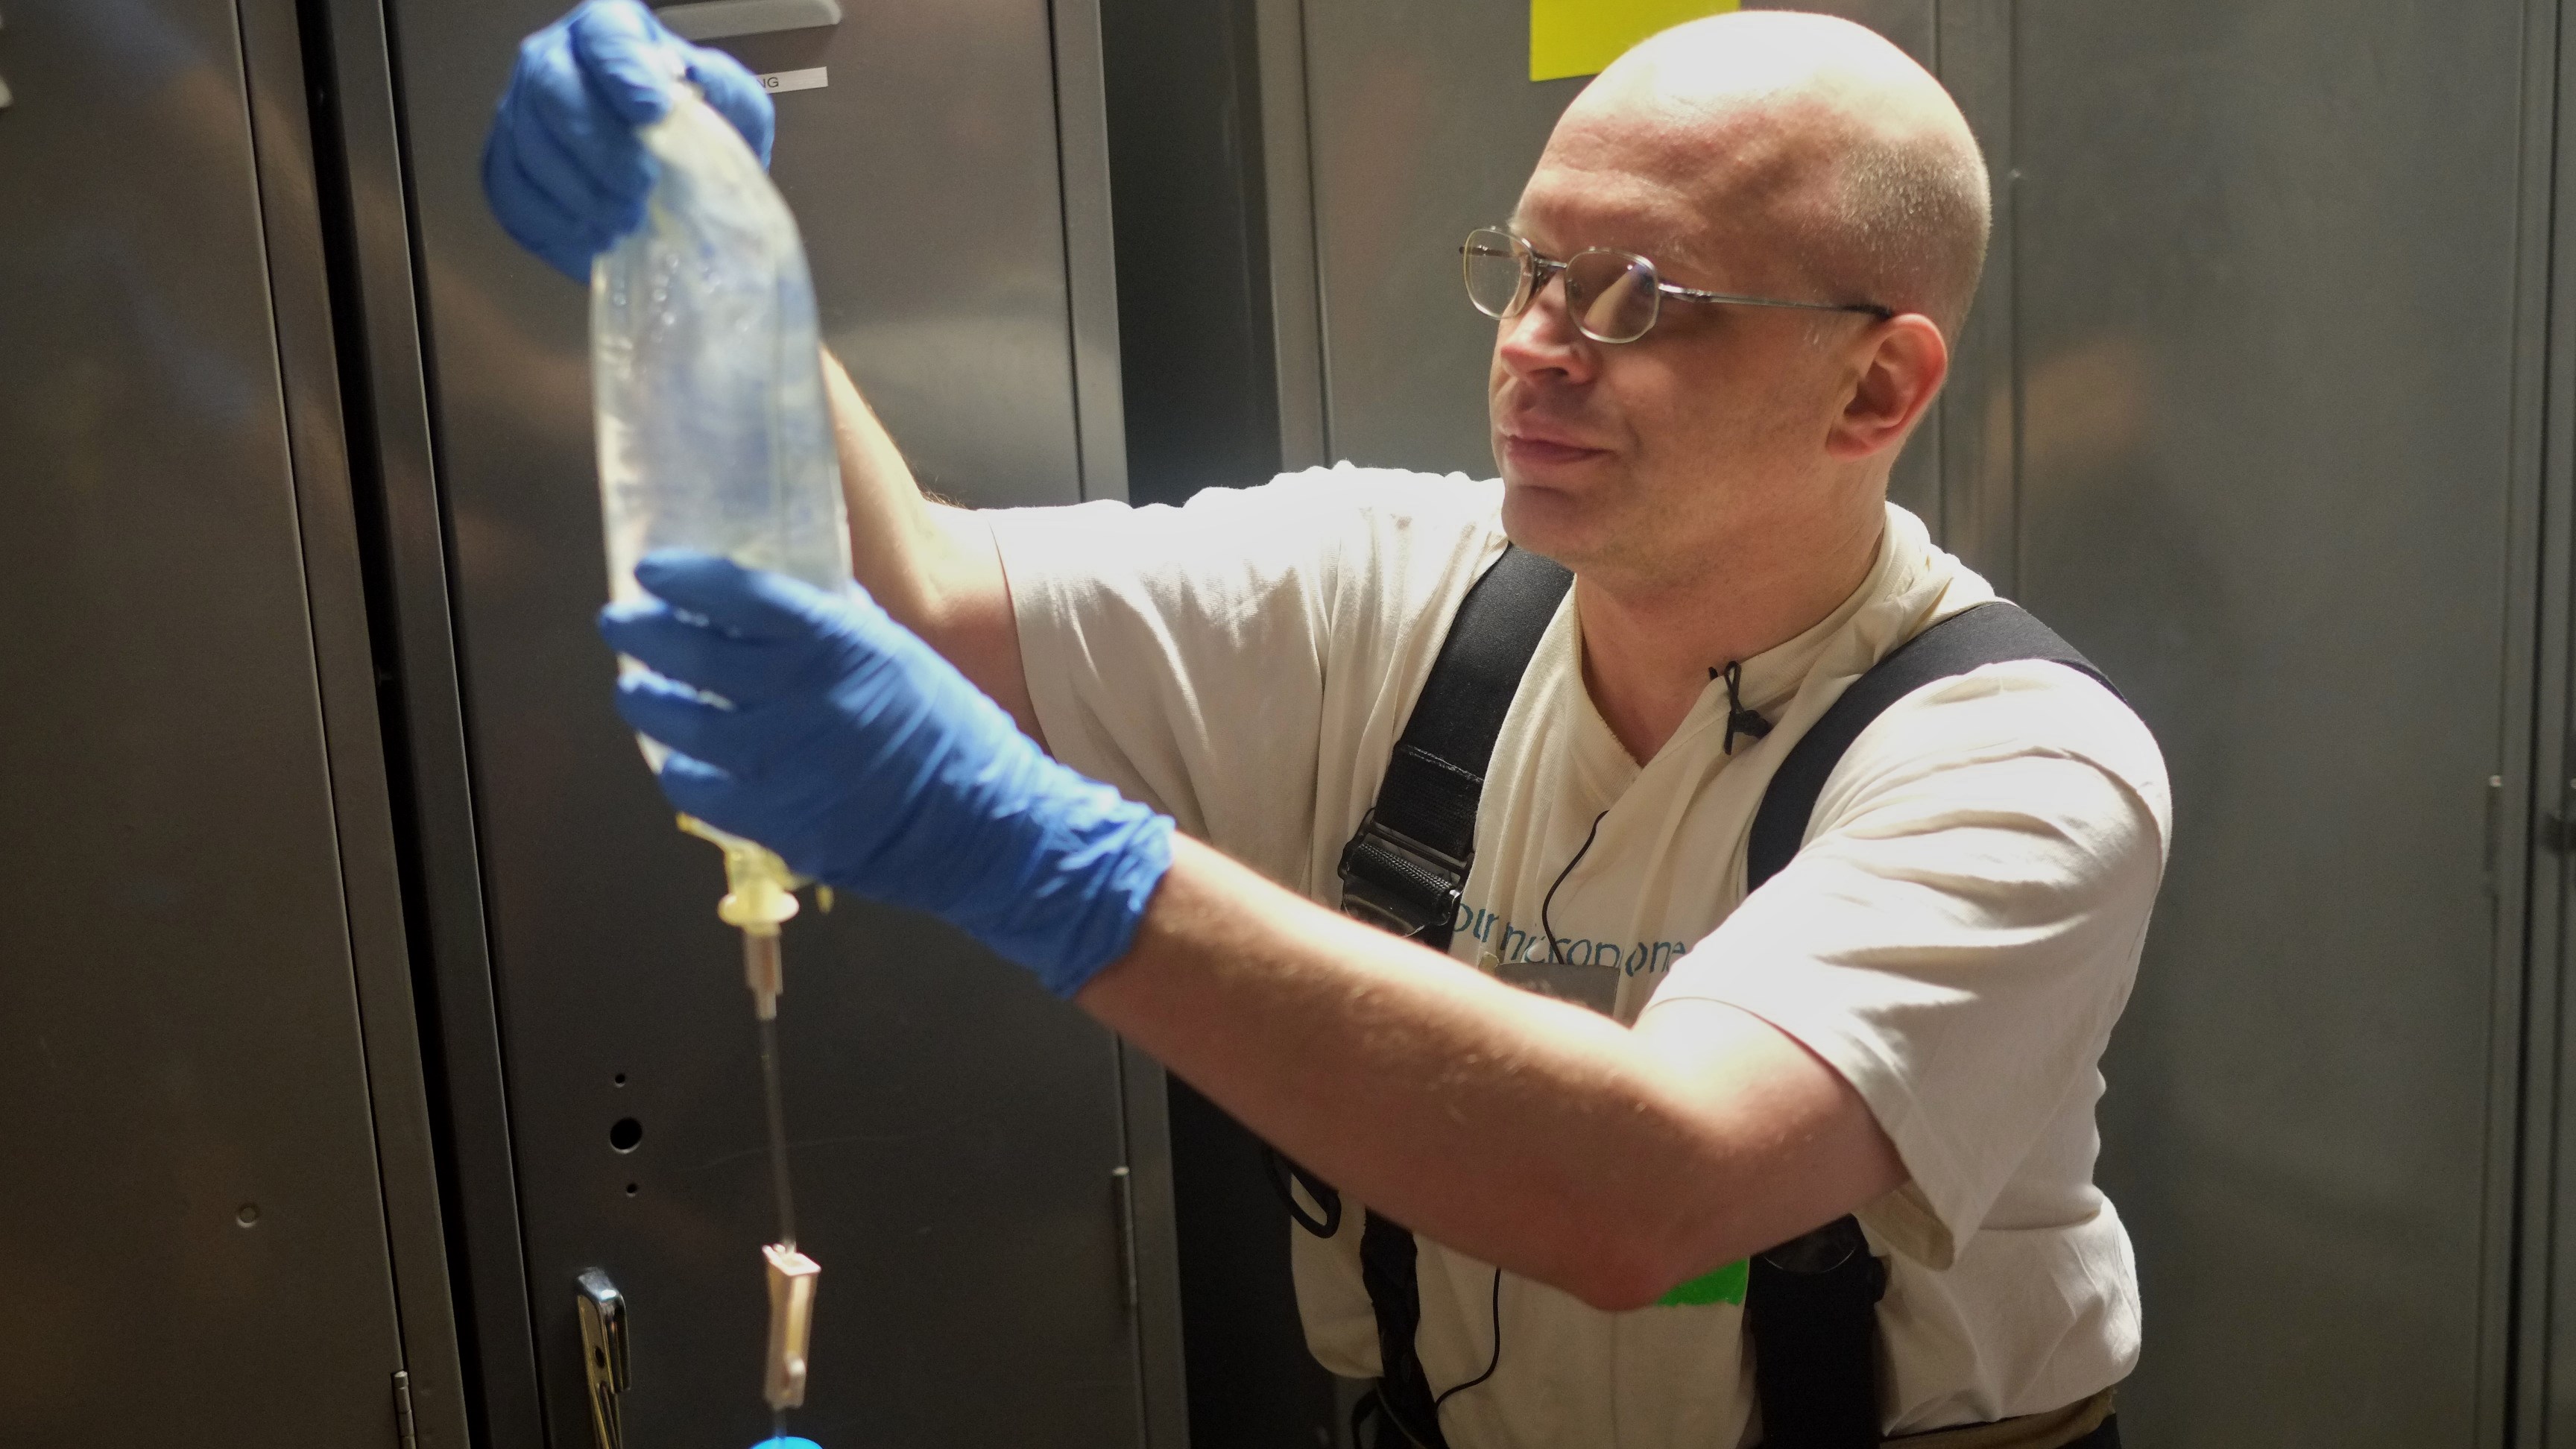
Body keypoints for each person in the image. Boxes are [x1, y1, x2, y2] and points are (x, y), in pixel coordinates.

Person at [485, 4, 2169, 1445]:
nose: (1534, 348)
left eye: (1639, 298)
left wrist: (1059, 866)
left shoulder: (2020, 769)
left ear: (1877, 388)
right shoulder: (1391, 585)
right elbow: (918, 596)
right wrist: (709, 244)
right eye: (1526, 270)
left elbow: (1650, 1194)